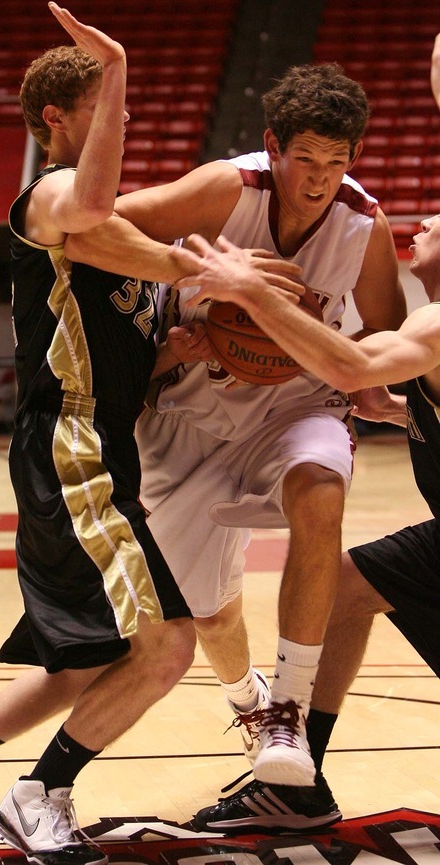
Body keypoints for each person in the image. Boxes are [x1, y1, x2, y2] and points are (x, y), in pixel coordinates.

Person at [66, 61, 406, 801]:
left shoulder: (362, 222)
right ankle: (249, 698)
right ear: (272, 146)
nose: (320, 180)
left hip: (298, 408)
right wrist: (194, 266)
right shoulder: (227, 189)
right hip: (190, 416)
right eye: (306, 159)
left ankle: (287, 708)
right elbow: (90, 232)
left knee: (321, 495)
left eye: (337, 162)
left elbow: (383, 329)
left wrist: (376, 390)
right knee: (207, 614)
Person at [0, 5, 212, 861]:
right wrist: (120, 60)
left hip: (96, 448)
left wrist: (175, 350)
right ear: (56, 120)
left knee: (88, 662)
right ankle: (39, 791)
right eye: (108, 108)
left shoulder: (107, 239)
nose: (123, 121)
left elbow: (123, 335)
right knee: (166, 646)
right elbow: (94, 200)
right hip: (70, 444)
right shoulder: (53, 197)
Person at [170, 216, 440, 832]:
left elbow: (349, 367)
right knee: (345, 586)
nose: (423, 222)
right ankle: (300, 790)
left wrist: (253, 293)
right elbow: (379, 390)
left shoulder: (435, 322)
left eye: (439, 222)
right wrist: (392, 409)